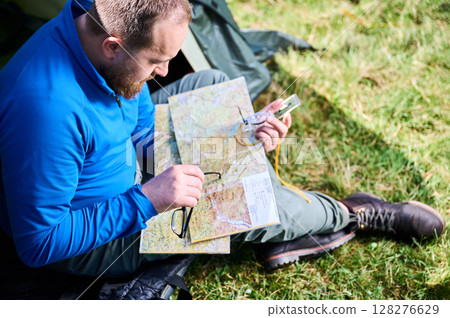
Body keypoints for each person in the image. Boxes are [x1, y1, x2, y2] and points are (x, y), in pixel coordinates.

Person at [0, 0, 445, 296]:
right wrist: (150, 198)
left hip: (127, 173)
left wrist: (235, 137)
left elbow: (135, 126)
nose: (164, 71)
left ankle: (273, 223)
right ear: (113, 46)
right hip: (100, 236)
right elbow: (39, 242)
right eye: (157, 61)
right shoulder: (46, 111)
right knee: (251, 201)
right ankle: (351, 214)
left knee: (214, 85)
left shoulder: (95, 27)